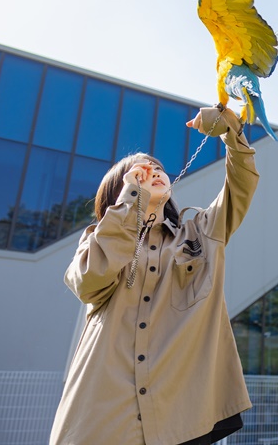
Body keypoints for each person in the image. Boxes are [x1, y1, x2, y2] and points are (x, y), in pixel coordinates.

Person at [50, 105, 258, 445]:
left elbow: (241, 185)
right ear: (120, 188)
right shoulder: (98, 238)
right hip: (101, 416)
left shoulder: (200, 233)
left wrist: (229, 132)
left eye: (157, 169)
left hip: (182, 415)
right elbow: (88, 282)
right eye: (140, 173)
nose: (153, 172)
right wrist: (132, 201)